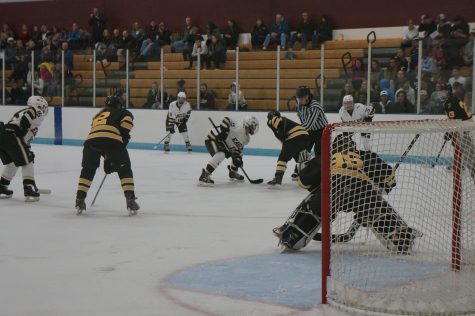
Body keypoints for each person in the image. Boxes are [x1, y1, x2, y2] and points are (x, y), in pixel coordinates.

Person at [274, 134, 422, 252]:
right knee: (378, 207)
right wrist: (381, 187)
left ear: (334, 148)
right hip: (363, 191)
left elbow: (304, 181)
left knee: (313, 202)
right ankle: (399, 237)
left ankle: (292, 235)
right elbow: (390, 179)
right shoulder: (365, 155)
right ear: (354, 147)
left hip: (333, 191)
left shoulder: (328, 157)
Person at [75, 95, 139, 216]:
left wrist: (107, 158)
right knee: (124, 170)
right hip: (112, 141)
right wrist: (122, 141)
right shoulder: (124, 112)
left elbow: (100, 135)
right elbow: (125, 127)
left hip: (91, 141)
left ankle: (80, 199)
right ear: (119, 104)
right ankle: (130, 199)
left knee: (88, 170)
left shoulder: (98, 115)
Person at [0, 96, 49, 201]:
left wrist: (27, 149)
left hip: (3, 135)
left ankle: (2, 187)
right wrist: (22, 130)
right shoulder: (36, 110)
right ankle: (29, 187)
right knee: (28, 160)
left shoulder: (24, 111)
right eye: (44, 107)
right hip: (12, 134)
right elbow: (26, 118)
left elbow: (25, 139)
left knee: (15, 161)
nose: (44, 109)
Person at [199, 116, 259, 186]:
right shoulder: (237, 126)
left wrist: (238, 159)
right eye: (252, 126)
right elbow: (226, 119)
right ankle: (205, 175)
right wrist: (224, 130)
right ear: (247, 124)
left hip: (225, 145)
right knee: (221, 154)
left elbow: (238, 149)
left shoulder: (247, 139)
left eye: (254, 127)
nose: (253, 128)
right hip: (213, 139)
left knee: (238, 156)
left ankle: (233, 172)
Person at [267, 111, 309, 186]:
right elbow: (284, 139)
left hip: (295, 137)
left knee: (283, 158)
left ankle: (278, 179)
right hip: (305, 136)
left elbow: (277, 121)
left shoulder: (274, 119)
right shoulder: (286, 121)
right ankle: (307, 176)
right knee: (301, 158)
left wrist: (285, 151)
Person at [294, 86, 328, 179]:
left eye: (301, 98)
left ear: (307, 96)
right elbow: (303, 120)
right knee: (303, 150)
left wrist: (295, 131)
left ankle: (319, 172)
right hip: (310, 131)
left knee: (318, 152)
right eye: (298, 98)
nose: (299, 100)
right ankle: (299, 170)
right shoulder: (300, 105)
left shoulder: (315, 106)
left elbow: (309, 124)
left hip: (321, 131)